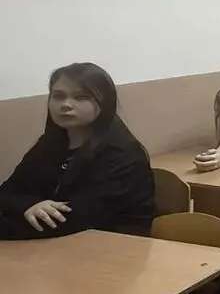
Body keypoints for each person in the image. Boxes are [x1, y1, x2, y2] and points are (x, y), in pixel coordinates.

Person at [0, 63, 154, 239]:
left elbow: (71, 221)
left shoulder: (123, 155)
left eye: (81, 97)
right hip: (53, 243)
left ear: (104, 103)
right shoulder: (48, 145)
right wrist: (29, 205)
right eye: (58, 96)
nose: (66, 105)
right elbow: (5, 193)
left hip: (111, 246)